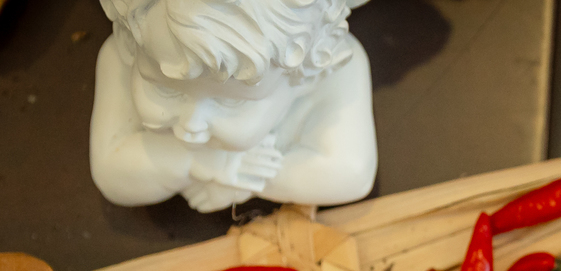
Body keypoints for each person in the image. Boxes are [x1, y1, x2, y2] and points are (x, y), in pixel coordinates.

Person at [91, 0, 377, 212]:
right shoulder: (138, 53)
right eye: (165, 89)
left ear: (308, 74)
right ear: (129, 42)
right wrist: (204, 163)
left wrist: (235, 179)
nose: (191, 124)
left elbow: (350, 174)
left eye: (230, 101)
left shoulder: (329, 67)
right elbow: (110, 174)